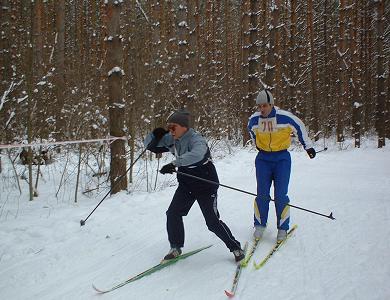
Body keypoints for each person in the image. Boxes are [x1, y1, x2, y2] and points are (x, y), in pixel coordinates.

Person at [144, 109, 245, 262]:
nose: (170, 130)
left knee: (212, 222)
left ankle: (235, 247)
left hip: (206, 183)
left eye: (173, 127)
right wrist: (154, 135)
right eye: (168, 127)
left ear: (184, 127)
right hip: (186, 184)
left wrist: (175, 163)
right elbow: (150, 146)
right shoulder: (171, 137)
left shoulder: (196, 139)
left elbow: (197, 155)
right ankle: (175, 247)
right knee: (173, 213)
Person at [247, 90, 316, 243]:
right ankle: (259, 225)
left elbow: (299, 127)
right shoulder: (254, 119)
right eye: (259, 106)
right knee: (262, 193)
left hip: (282, 159)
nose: (262, 109)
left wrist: (308, 147)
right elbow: (251, 132)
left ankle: (283, 228)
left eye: (265, 105)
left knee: (280, 194)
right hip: (263, 159)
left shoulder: (284, 117)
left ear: (271, 104)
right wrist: (257, 145)